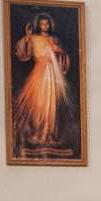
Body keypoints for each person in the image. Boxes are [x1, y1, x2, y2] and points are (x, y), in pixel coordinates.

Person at [13, 12, 72, 159]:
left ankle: (49, 135)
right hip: (39, 73)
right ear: (39, 26)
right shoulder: (34, 38)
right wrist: (27, 38)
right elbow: (24, 53)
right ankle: (38, 134)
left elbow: (62, 57)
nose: (45, 26)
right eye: (42, 24)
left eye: (47, 24)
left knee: (52, 106)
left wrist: (60, 52)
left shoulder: (54, 39)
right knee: (39, 103)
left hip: (53, 75)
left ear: (49, 25)